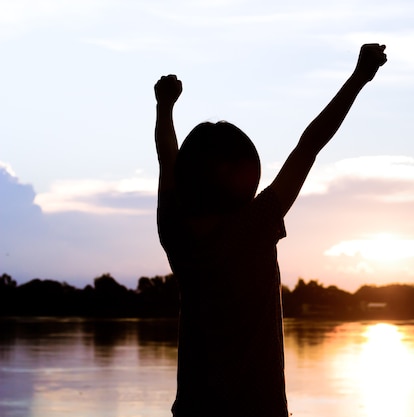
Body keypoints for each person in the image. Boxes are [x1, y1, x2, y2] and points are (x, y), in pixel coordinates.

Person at [154, 43, 387, 417]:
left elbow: (167, 155)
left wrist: (164, 107)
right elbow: (309, 146)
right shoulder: (254, 225)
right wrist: (359, 78)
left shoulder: (175, 231)